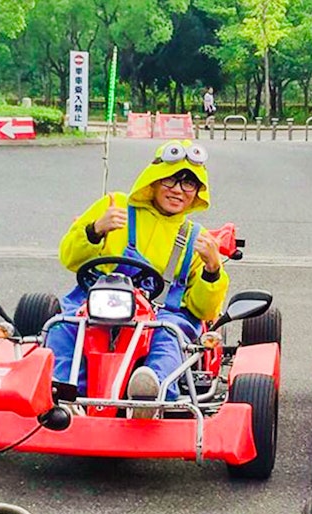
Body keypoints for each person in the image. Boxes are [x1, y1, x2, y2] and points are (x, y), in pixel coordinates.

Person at [53, 139, 229, 418]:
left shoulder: (197, 238)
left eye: (188, 184)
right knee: (63, 328)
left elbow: (205, 310)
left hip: (160, 313)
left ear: (197, 192)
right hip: (100, 302)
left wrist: (212, 269)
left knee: (169, 338)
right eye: (170, 180)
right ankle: (64, 394)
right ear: (154, 180)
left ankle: (151, 390)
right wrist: (95, 230)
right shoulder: (115, 206)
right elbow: (68, 257)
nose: (178, 190)